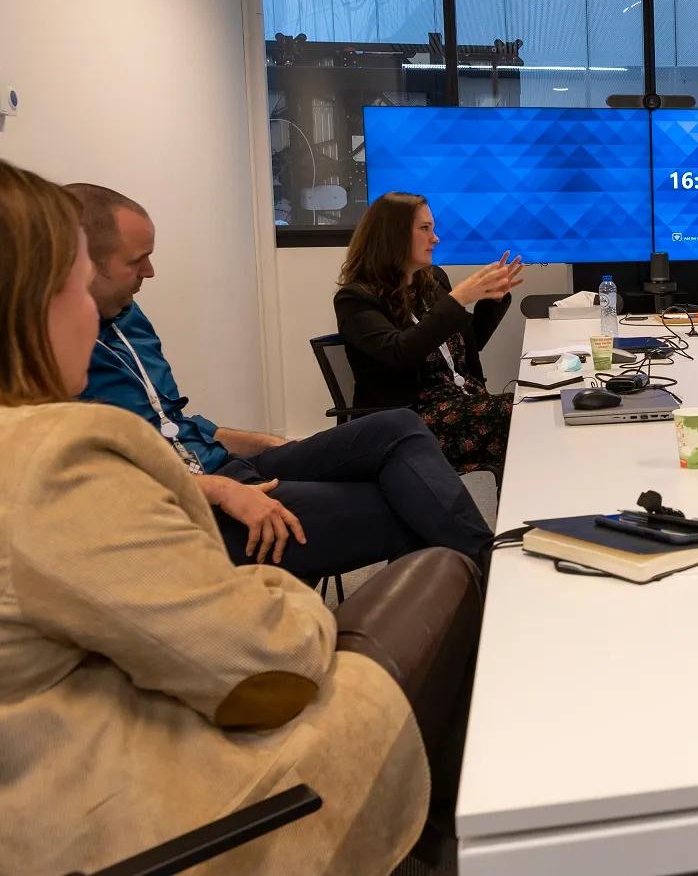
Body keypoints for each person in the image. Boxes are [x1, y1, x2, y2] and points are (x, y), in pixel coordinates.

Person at [0, 159, 429, 873]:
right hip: (167, 809)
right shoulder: (53, 454)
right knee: (440, 572)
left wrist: (263, 445)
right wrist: (289, 591)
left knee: (401, 445)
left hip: (105, 741)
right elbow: (262, 665)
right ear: (30, 303)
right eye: (78, 285)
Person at [66, 183, 493, 578]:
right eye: (135, 260)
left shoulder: (129, 317)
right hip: (187, 499)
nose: (151, 272)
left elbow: (170, 421)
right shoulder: (48, 358)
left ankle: (483, 583)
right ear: (80, 265)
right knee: (412, 505)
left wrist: (263, 442)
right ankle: (488, 577)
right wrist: (215, 489)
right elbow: (93, 475)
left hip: (225, 465)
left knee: (398, 427)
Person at [334, 192, 524, 471]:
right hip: (412, 421)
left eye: (432, 229)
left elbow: (472, 342)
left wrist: (491, 300)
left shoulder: (433, 280)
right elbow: (399, 352)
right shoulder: (356, 299)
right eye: (425, 229)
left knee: (534, 410)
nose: (435, 238)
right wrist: (457, 300)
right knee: (524, 416)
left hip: (465, 403)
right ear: (392, 236)